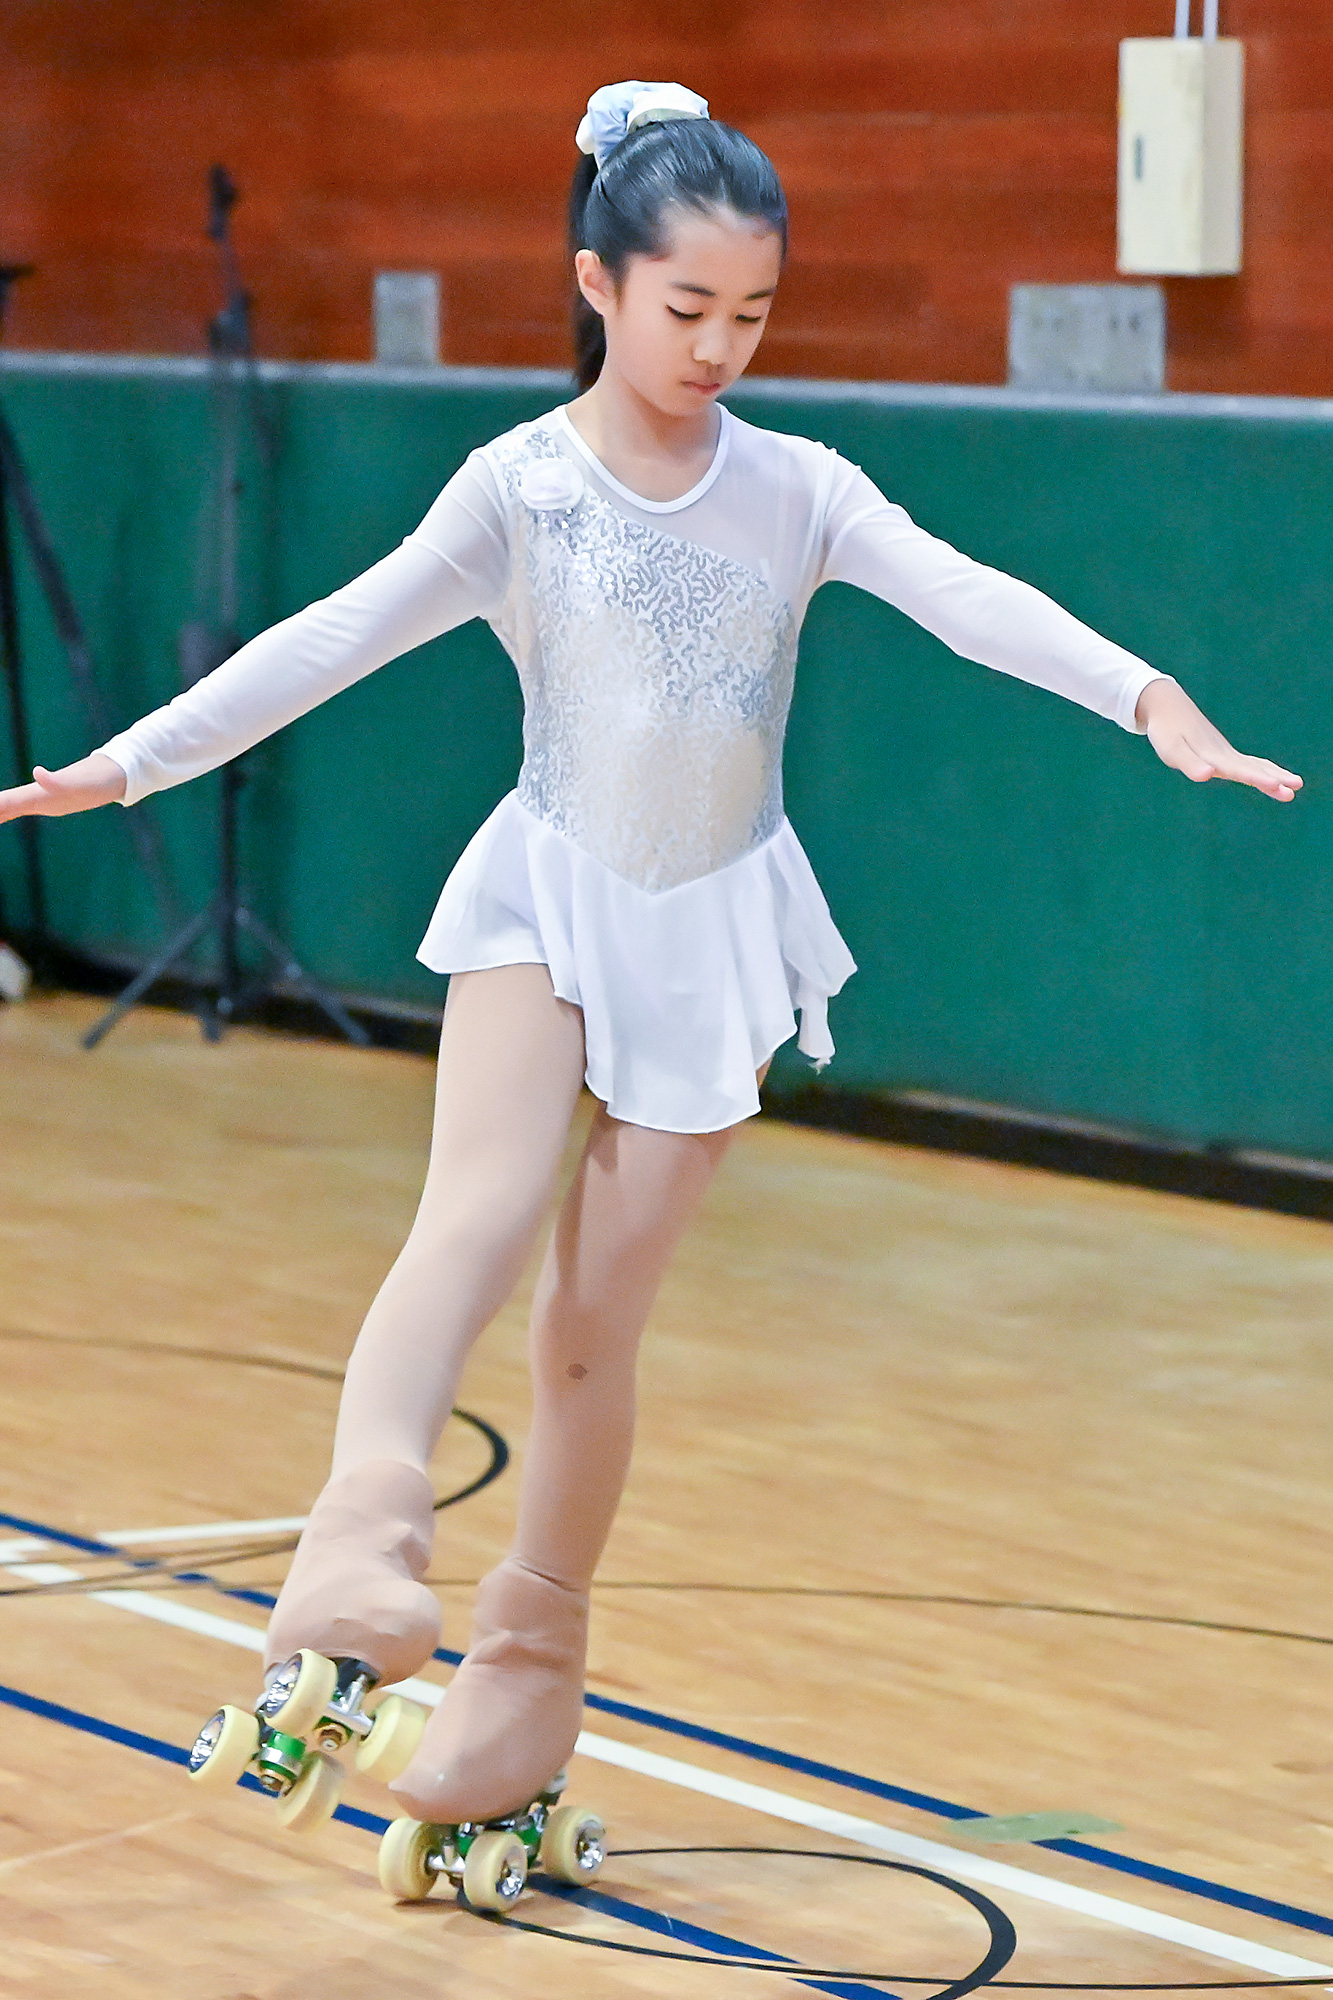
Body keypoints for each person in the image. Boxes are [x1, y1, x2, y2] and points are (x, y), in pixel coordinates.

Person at [0, 81, 1302, 1832]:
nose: (717, 346)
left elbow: (967, 597)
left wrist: (1145, 694)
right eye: (686, 306)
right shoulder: (520, 490)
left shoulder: (799, 490)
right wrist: (128, 764)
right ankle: (361, 1539)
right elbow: (330, 636)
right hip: (548, 888)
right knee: (470, 1216)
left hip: (713, 930)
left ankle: (528, 1671)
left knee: (587, 1334)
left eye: (750, 313)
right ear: (598, 282)